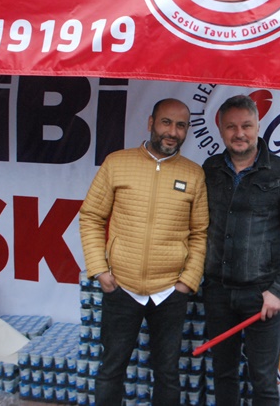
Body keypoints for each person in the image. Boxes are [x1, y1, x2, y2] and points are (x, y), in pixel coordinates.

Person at [78, 98, 209, 406]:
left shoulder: (194, 174)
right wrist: (100, 270)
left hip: (170, 292)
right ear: (151, 123)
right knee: (111, 370)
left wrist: (187, 281)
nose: (172, 132)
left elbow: (200, 232)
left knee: (168, 373)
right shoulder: (117, 163)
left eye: (181, 126)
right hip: (121, 287)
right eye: (166, 122)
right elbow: (91, 217)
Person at [201, 94, 280, 406]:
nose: (239, 133)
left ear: (258, 126)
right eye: (231, 126)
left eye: (246, 126)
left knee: (263, 379)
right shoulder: (209, 169)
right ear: (220, 129)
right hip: (218, 292)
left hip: (263, 295)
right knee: (223, 375)